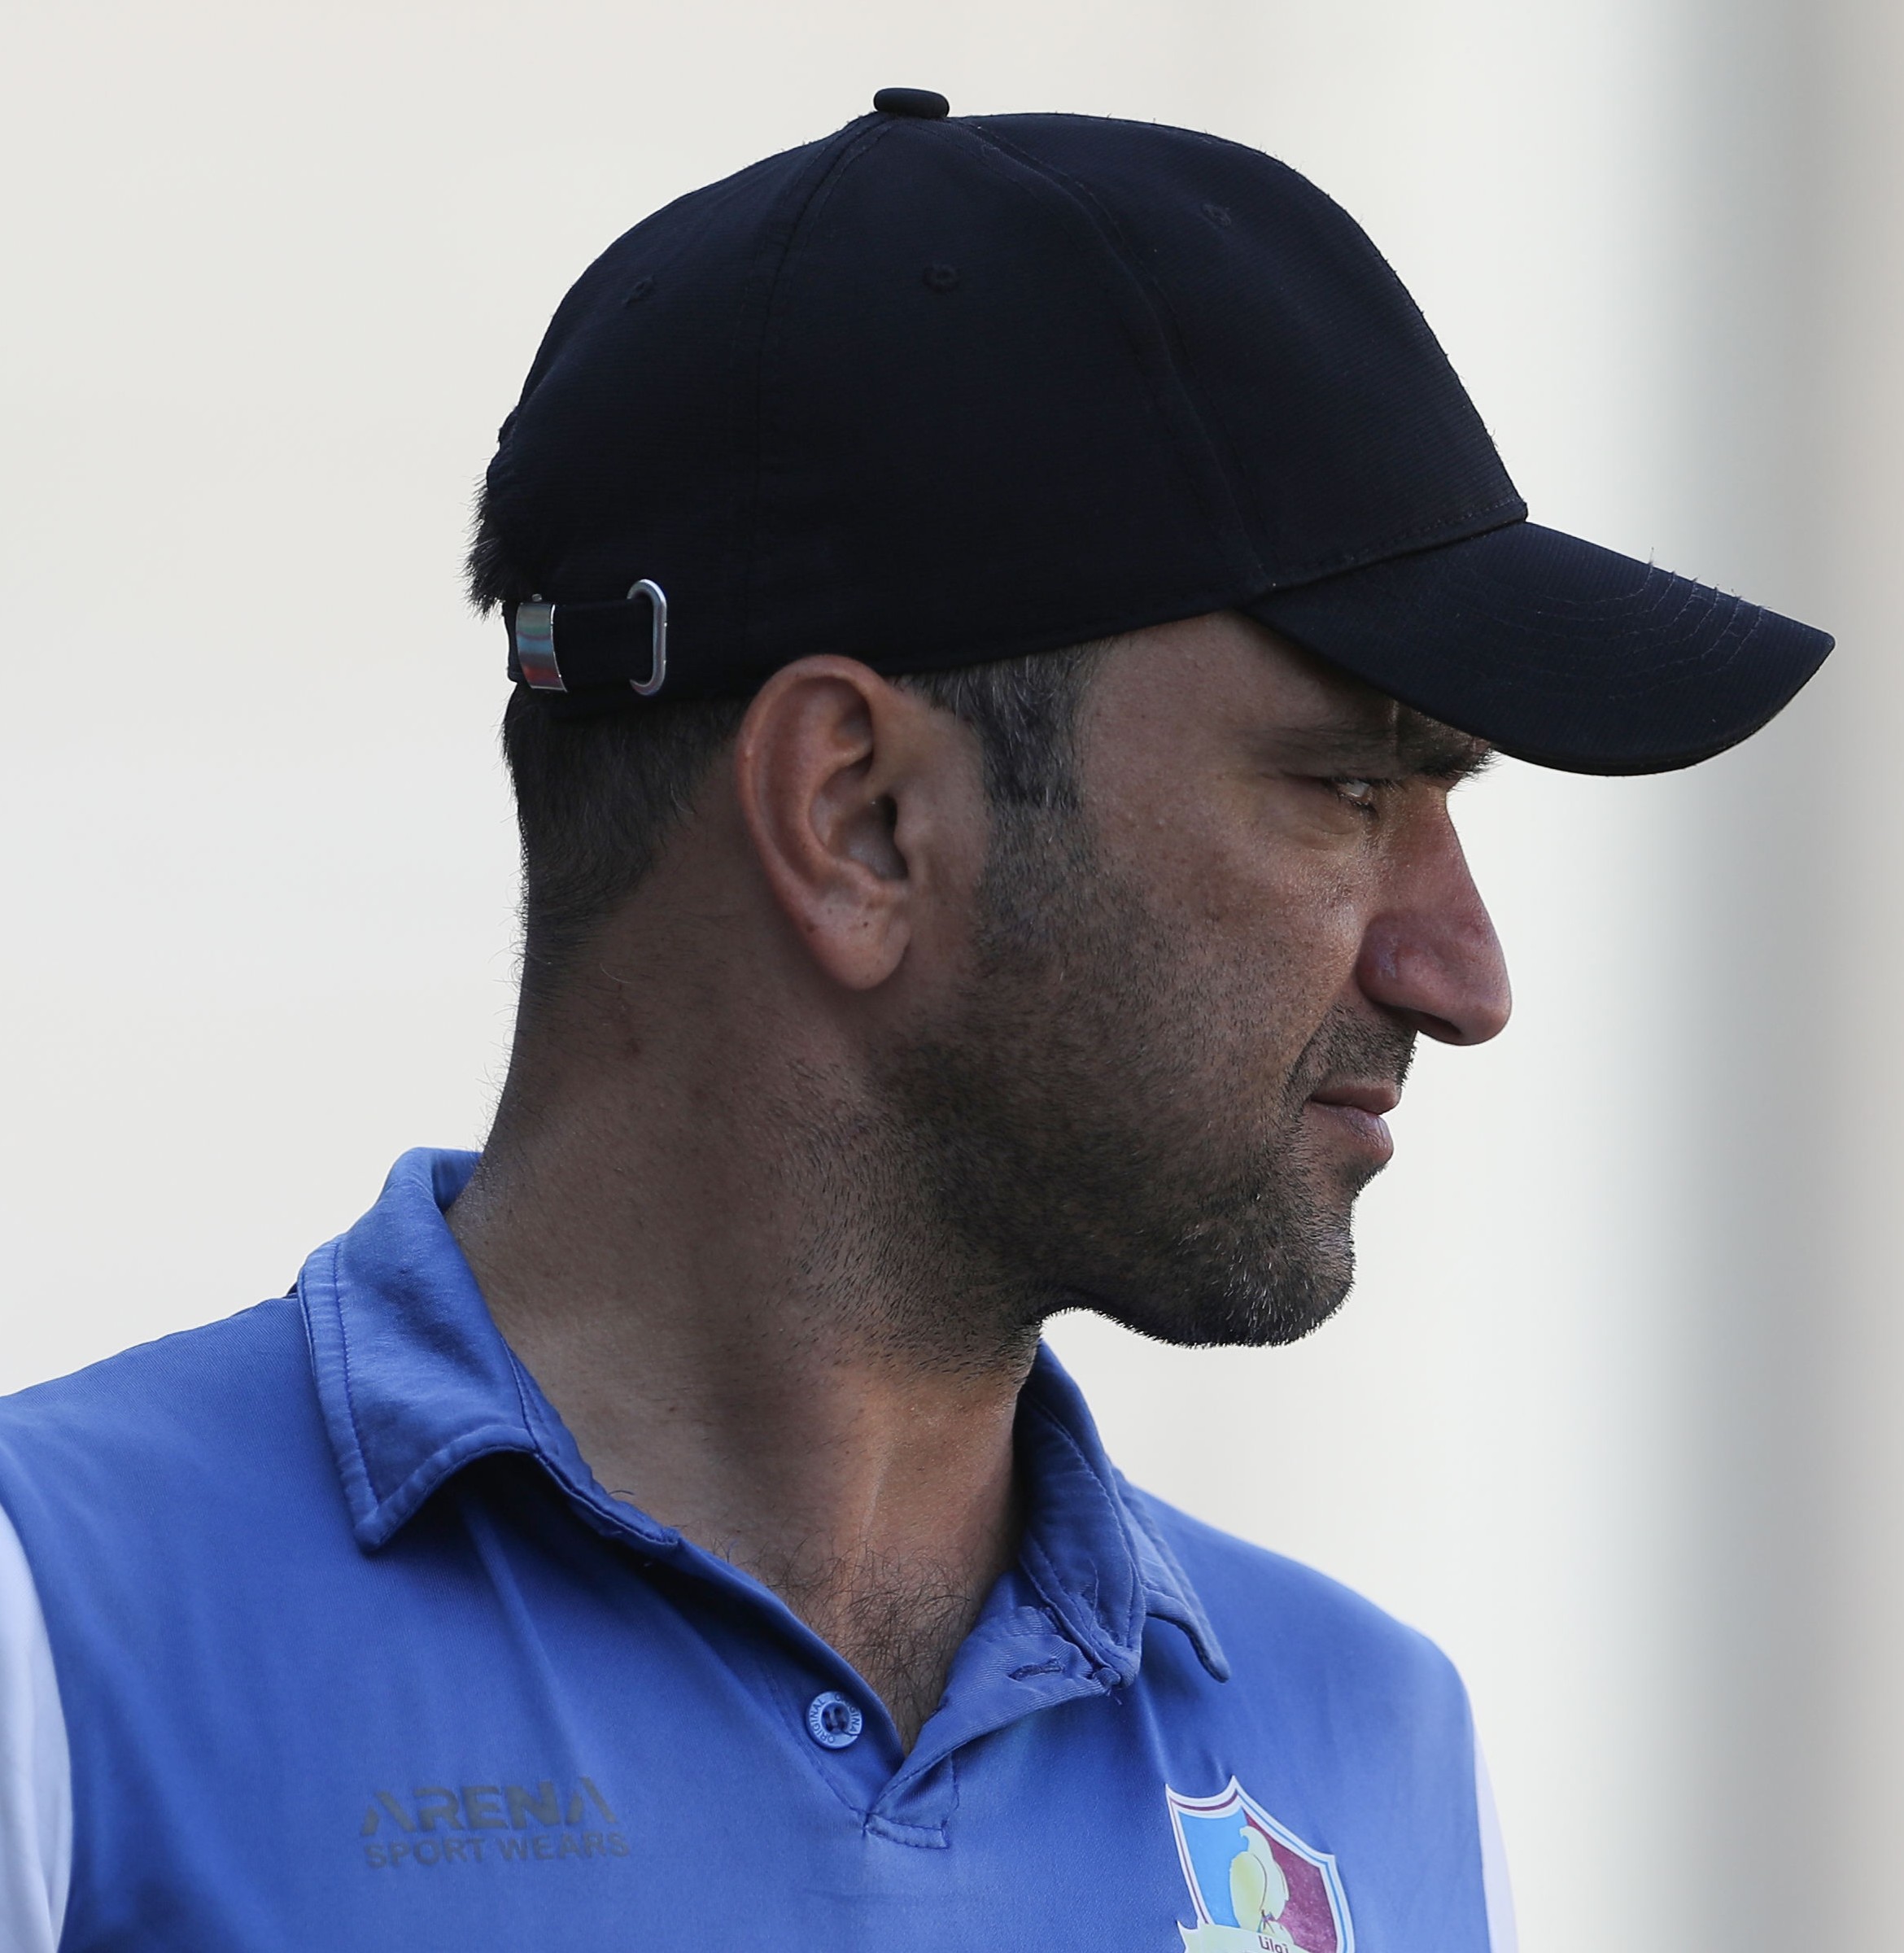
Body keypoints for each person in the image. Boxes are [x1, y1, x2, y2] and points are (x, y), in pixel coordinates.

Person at [0, 89, 1830, 1951]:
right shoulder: (60, 1636)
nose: (1463, 974)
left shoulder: (1370, 1748)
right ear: (859, 816)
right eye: (1346, 790)